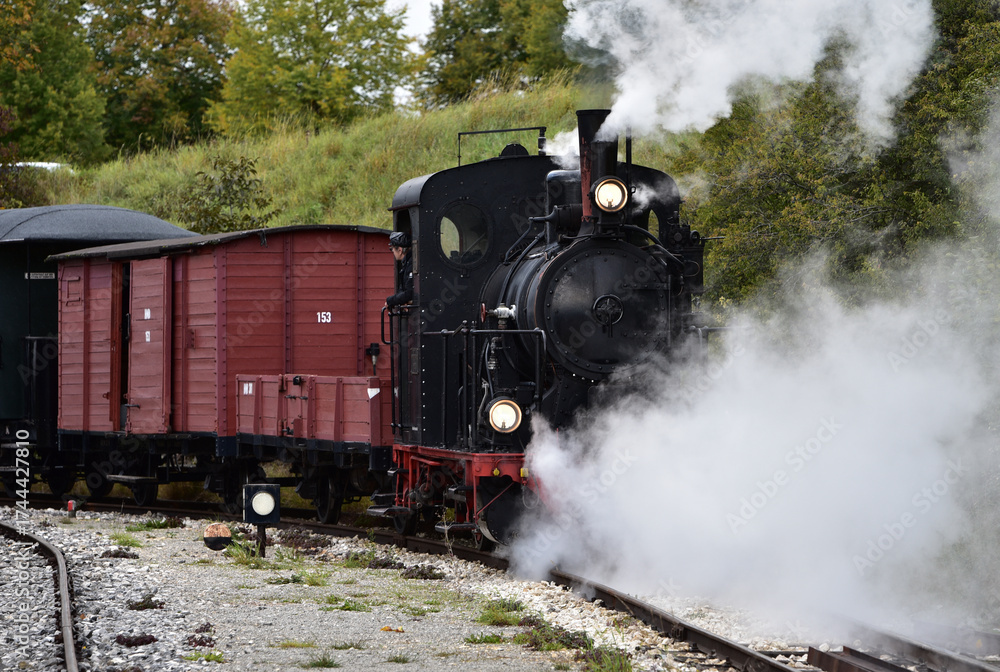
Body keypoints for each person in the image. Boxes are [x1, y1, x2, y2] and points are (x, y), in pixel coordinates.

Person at [386, 231, 413, 308]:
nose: (393, 252)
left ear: (400, 250)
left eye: (392, 249)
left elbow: (409, 293)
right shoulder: (407, 263)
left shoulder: (410, 265)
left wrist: (389, 301)